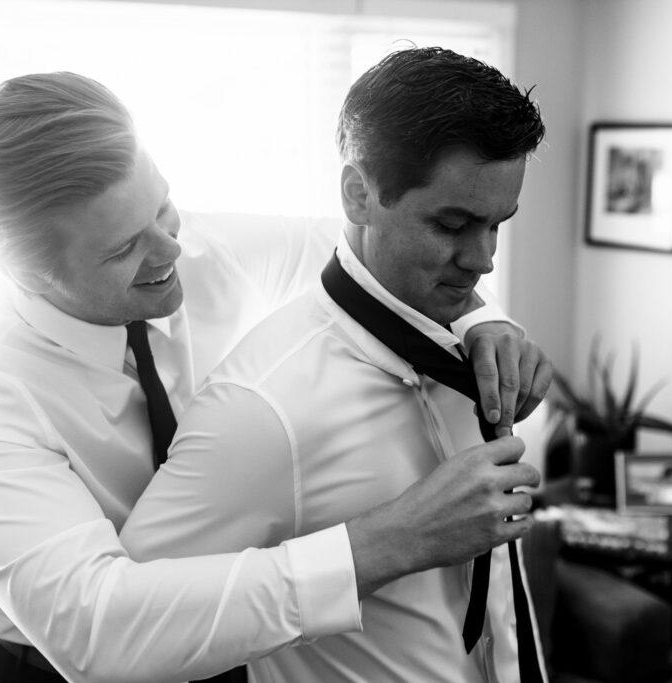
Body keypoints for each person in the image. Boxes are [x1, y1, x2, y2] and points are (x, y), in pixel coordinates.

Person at [0, 69, 550, 683]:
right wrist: (385, 544)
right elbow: (95, 631)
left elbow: (380, 249)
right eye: (122, 249)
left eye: (162, 209)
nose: (171, 252)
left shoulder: (205, 251)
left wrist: (482, 322)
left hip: (236, 653)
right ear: (23, 271)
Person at [121, 47, 550, 683]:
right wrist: (390, 542)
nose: (483, 259)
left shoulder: (474, 346)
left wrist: (491, 319)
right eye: (454, 224)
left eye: (497, 225)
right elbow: (129, 636)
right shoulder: (260, 410)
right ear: (357, 194)